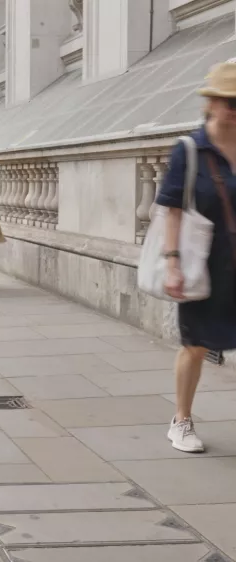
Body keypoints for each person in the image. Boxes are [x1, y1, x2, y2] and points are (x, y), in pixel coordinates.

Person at [159, 60, 236, 454]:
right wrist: (172, 261)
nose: (235, 110)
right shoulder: (189, 150)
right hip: (202, 262)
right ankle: (182, 420)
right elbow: (172, 208)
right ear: (212, 103)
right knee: (196, 345)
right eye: (230, 102)